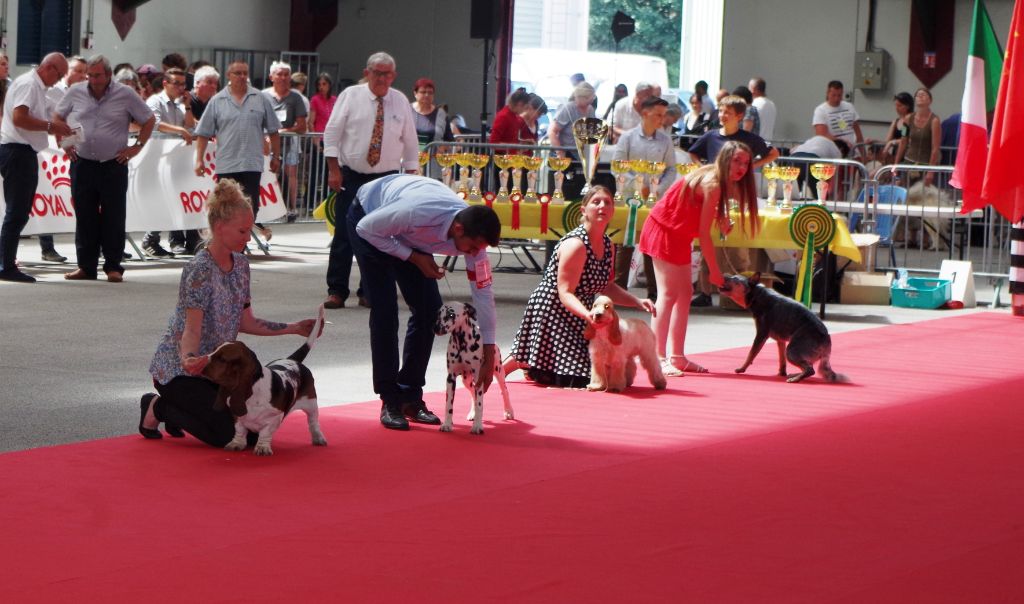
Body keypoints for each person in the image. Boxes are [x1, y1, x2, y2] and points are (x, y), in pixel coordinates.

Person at [138, 178, 320, 444]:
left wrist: (294, 328)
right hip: (179, 370)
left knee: (252, 428)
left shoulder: (242, 265)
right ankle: (158, 406)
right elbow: (191, 328)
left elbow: (246, 322)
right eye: (243, 231)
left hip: (218, 370)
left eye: (250, 231)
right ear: (220, 228)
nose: (248, 238)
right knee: (228, 435)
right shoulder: (199, 270)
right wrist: (189, 358)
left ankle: (184, 410)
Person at [347, 174, 501, 430]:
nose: (474, 254)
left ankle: (410, 394)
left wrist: (488, 348)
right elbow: (365, 228)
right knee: (385, 310)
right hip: (369, 219)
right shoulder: (416, 212)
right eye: (472, 248)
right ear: (459, 229)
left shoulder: (474, 240)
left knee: (430, 311)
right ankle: (389, 399)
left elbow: (483, 294)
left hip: (409, 235)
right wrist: (414, 258)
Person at [505, 186, 656, 388]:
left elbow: (607, 287)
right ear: (584, 210)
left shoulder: (609, 245)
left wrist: (637, 302)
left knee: (600, 372)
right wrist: (588, 315)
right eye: (596, 202)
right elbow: (565, 292)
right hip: (553, 309)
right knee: (583, 377)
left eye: (607, 202)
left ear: (613, 210)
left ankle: (526, 361)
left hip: (582, 314)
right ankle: (507, 365)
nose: (602, 206)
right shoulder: (576, 244)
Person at [639, 141, 759, 375]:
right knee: (668, 294)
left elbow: (700, 208)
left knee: (684, 294)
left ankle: (677, 356)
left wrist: (720, 217)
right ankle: (657, 357)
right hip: (665, 230)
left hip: (678, 233)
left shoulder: (714, 177)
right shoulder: (713, 182)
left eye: (745, 163)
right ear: (724, 159)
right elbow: (704, 235)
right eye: (737, 161)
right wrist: (714, 271)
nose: (742, 168)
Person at [322, 51, 419, 310]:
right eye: (377, 72)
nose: (382, 78)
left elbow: (410, 142)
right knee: (344, 232)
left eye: (387, 73)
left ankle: (369, 290)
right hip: (351, 174)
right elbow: (332, 133)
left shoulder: (400, 101)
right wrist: (333, 169)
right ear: (367, 73)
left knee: (380, 235)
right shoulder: (350, 96)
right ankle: (337, 290)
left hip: (386, 179)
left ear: (394, 76)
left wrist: (411, 177)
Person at [54, 55, 155, 283]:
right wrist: (63, 143)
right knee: (85, 215)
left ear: (108, 75)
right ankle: (86, 267)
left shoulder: (126, 94)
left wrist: (136, 147)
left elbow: (149, 119)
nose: (93, 80)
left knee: (113, 216)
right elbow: (58, 116)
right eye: (90, 75)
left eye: (97, 75)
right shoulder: (76, 91)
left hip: (113, 164)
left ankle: (113, 267)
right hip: (82, 162)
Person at [0, 53, 73, 283]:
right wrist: (51, 126)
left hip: (20, 151)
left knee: (18, 211)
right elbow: (20, 118)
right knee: (17, 212)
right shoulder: (29, 84)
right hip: (17, 151)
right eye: (59, 75)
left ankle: (6, 262)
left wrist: (56, 129)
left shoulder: (33, 85)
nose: (58, 80)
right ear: (49, 68)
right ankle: (6, 265)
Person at [194, 60, 282, 244]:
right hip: (227, 164)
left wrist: (276, 156)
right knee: (224, 207)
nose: (242, 77)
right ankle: (225, 242)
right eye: (237, 73)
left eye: (244, 73)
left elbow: (273, 131)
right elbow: (203, 133)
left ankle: (239, 244)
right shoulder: (217, 100)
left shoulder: (260, 98)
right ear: (229, 76)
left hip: (251, 163)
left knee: (251, 207)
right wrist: (199, 160)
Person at [612, 96, 677, 301]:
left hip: (654, 202)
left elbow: (671, 169)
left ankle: (655, 292)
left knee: (653, 245)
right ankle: (618, 290)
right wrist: (638, 186)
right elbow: (617, 165)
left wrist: (656, 189)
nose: (662, 119)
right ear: (645, 113)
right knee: (626, 243)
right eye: (658, 114)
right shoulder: (628, 138)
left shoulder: (666, 140)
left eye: (663, 115)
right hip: (630, 200)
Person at [142, 67, 196, 258]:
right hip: (156, 159)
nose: (181, 87)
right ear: (165, 83)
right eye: (177, 83)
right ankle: (150, 238)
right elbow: (154, 123)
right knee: (160, 199)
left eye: (183, 84)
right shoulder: (155, 101)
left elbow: (190, 126)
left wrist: (188, 105)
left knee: (172, 200)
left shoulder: (180, 105)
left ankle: (158, 238)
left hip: (174, 160)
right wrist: (179, 131)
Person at [263, 61, 308, 222]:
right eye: (279, 74)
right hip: (267, 143)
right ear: (271, 77)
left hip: (289, 143)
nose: (283, 78)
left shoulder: (296, 97)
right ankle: (270, 209)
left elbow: (302, 126)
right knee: (270, 174)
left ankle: (291, 208)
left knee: (291, 174)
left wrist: (282, 132)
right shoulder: (263, 96)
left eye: (286, 74)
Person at [895, 87, 941, 185]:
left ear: (930, 100)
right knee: (906, 193)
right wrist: (896, 164)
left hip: (925, 165)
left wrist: (931, 172)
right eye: (917, 95)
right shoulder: (908, 118)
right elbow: (903, 142)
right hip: (909, 162)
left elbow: (935, 148)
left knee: (921, 196)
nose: (920, 96)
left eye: (923, 95)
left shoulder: (934, 121)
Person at [812, 80, 864, 150]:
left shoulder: (849, 106)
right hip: (833, 151)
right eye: (833, 95)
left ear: (842, 93)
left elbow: (858, 134)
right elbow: (821, 134)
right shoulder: (820, 110)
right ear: (828, 93)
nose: (836, 99)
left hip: (852, 151)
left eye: (839, 95)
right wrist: (842, 142)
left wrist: (863, 154)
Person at [410, 77, 453, 148]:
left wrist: (442, 149)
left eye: (430, 93)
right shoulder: (407, 110)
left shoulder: (441, 114)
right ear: (415, 93)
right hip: (409, 157)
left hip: (433, 157)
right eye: (423, 92)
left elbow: (449, 139)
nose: (427, 95)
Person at [488, 86, 531, 153]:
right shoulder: (503, 116)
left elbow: (509, 139)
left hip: (509, 157)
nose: (524, 111)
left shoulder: (513, 116)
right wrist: (516, 146)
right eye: (525, 107)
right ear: (520, 104)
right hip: (501, 159)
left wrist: (522, 143)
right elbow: (493, 143)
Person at [881, 91, 914, 165]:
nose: (897, 108)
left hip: (908, 157)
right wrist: (873, 141)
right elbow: (887, 141)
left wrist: (893, 142)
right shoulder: (896, 121)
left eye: (899, 106)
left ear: (907, 106)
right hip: (896, 156)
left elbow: (909, 140)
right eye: (896, 105)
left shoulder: (912, 120)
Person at [748, 77, 776, 142]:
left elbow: (748, 125)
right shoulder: (772, 104)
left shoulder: (753, 104)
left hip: (755, 144)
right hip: (767, 144)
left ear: (753, 89)